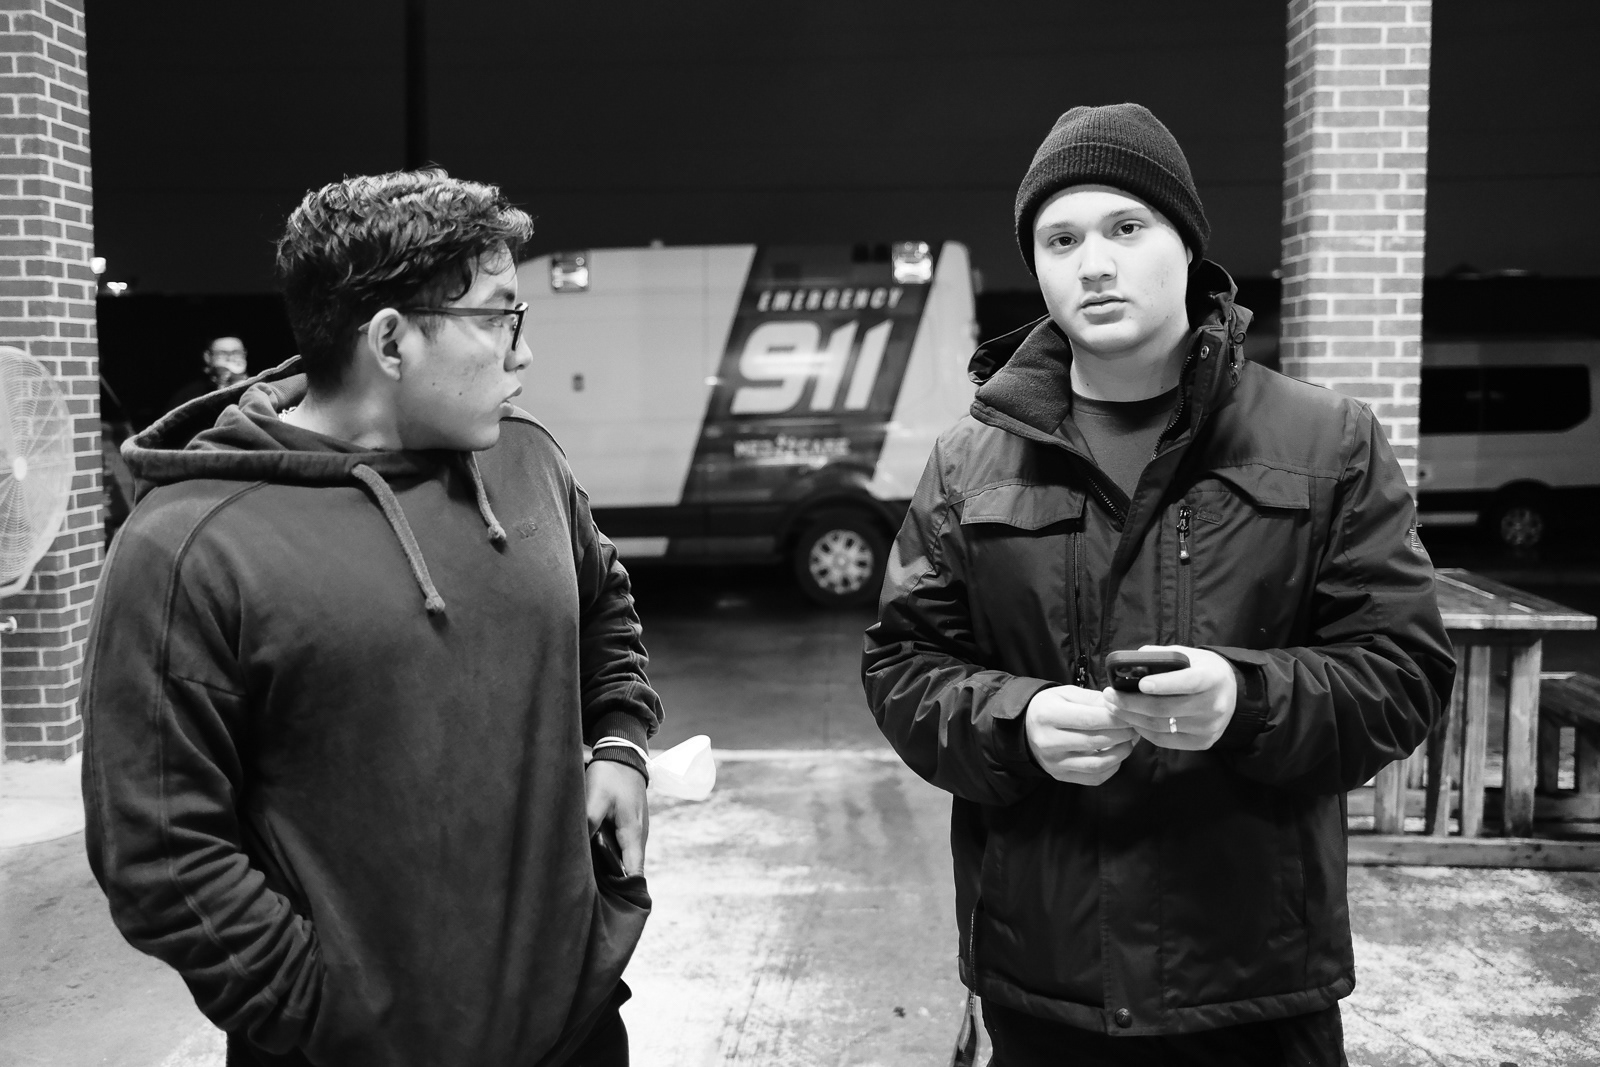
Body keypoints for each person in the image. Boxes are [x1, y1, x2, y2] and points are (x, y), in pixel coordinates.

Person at [862, 104, 1455, 1066]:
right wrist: (1013, 721)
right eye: (1061, 238)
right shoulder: (971, 462)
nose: (1093, 263)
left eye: (1125, 227)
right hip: (1045, 985)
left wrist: (1248, 698)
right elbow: (903, 666)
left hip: (1254, 988)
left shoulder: (1326, 443)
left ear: (1186, 243)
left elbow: (1404, 670)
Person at [82, 169, 662, 1067]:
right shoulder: (189, 547)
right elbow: (160, 854)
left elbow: (604, 605)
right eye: (498, 315)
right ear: (391, 341)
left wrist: (620, 741)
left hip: (576, 1029)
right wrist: (331, 1016)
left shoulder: (528, 462)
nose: (522, 353)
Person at [166, 335, 251, 411]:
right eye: (222, 353)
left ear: (245, 355)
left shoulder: (259, 386)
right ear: (207, 357)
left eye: (236, 353)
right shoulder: (189, 395)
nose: (230, 358)